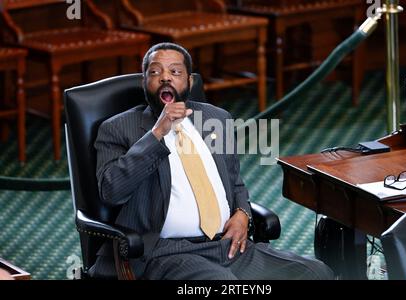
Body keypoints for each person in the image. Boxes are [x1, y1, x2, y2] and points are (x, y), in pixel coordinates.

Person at [89, 42, 333, 280]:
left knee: (316, 273)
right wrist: (157, 134)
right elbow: (112, 191)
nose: (165, 78)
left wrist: (242, 213)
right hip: (166, 252)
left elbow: (235, 182)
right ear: (145, 82)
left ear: (190, 82)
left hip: (228, 246)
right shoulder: (118, 129)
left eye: (175, 71)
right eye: (155, 72)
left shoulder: (215, 118)